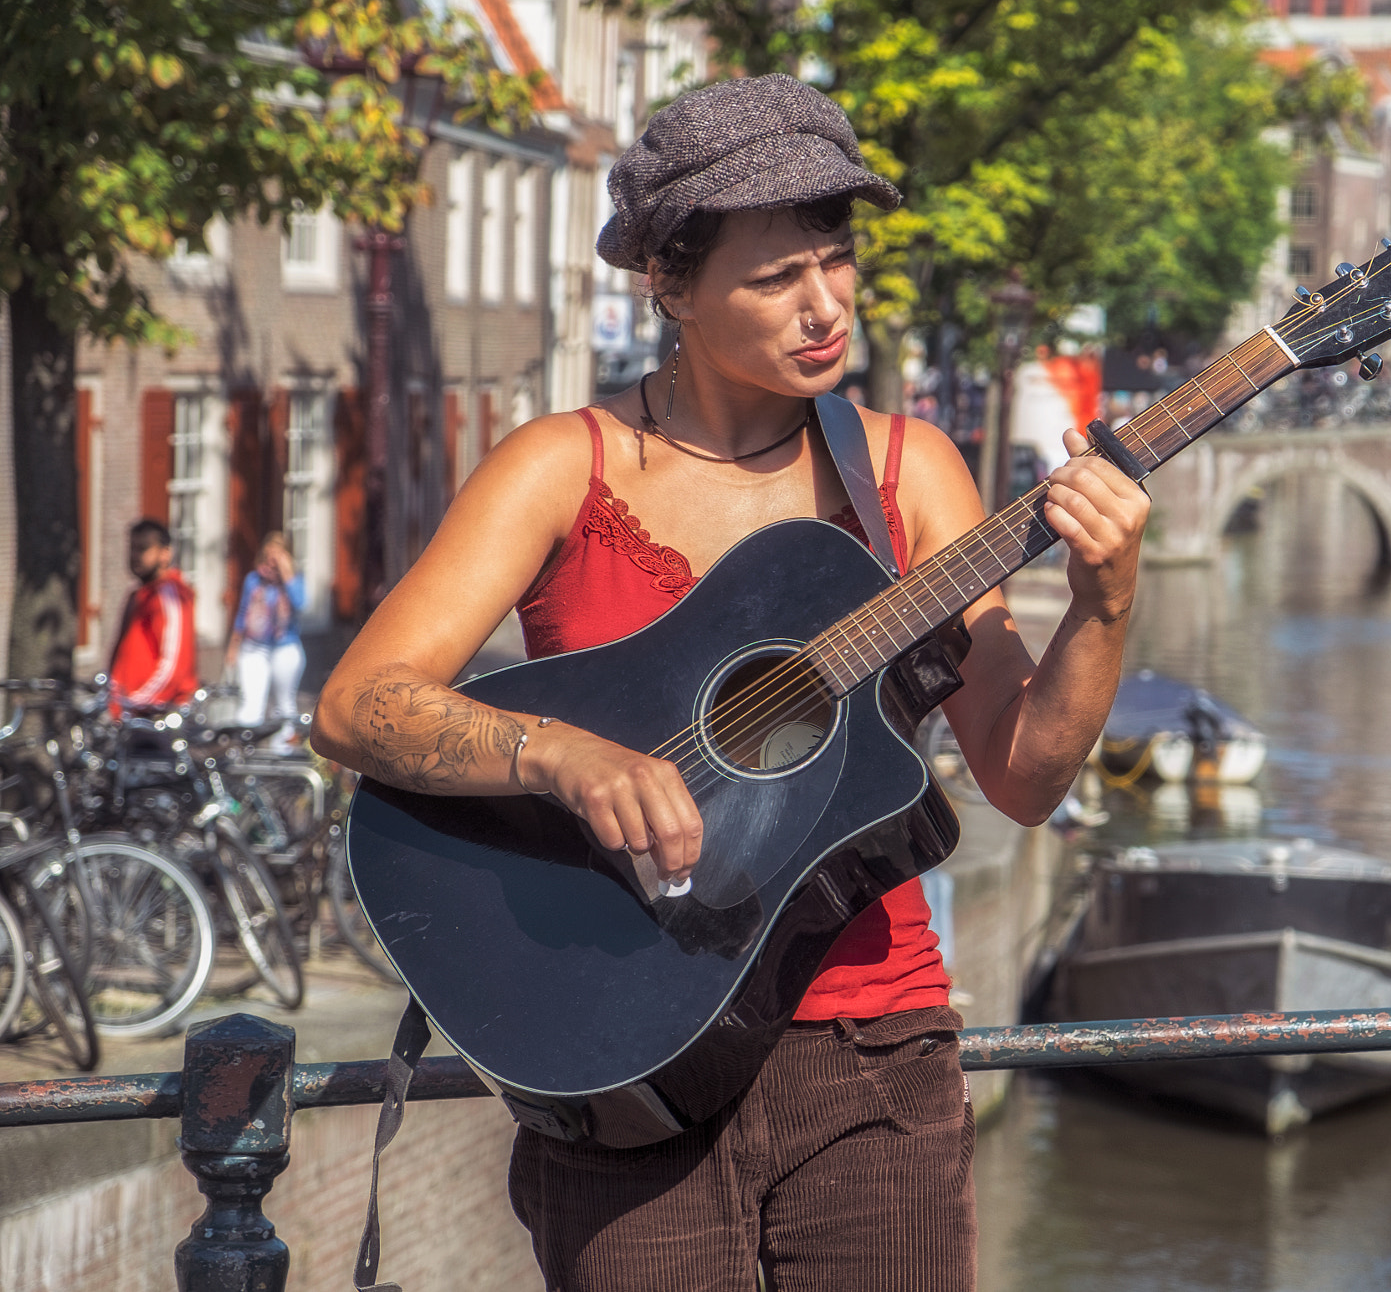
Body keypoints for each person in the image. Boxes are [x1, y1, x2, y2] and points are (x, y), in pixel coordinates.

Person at [311, 73, 1149, 1292]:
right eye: (773, 279)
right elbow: (358, 705)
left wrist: (1104, 603)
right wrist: (563, 754)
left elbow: (1023, 776)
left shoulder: (910, 474)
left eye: (836, 260)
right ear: (670, 288)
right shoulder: (562, 467)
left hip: (875, 1056)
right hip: (624, 1059)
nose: (824, 307)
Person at [225, 532, 306, 748]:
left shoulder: (293, 580)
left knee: (284, 703)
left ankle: (284, 751)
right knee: (251, 701)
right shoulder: (254, 580)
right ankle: (245, 749)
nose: (271, 562)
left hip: (284, 647)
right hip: (254, 647)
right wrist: (233, 646)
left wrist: (286, 572)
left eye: (277, 557)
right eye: (268, 556)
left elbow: (300, 603)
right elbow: (242, 614)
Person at [109, 518, 199, 713]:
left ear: (165, 554)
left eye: (143, 549)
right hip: (131, 713)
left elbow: (174, 666)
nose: (135, 556)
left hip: (158, 714)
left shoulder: (170, 596)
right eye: (132, 548)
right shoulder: (139, 595)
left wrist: (134, 703)